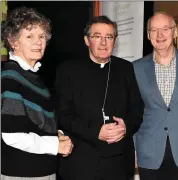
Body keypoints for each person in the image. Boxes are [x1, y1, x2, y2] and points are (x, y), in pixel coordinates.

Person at [54, 16, 144, 180]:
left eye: (109, 37)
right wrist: (96, 131)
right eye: (97, 36)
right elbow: (63, 115)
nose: (103, 43)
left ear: (114, 41)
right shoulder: (68, 70)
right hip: (81, 163)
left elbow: (137, 109)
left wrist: (126, 127)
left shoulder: (125, 68)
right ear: (87, 40)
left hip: (119, 163)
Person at [1, 7, 73, 180]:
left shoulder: (31, 77)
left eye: (41, 36)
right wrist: (55, 145)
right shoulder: (11, 78)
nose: (38, 42)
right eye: (29, 36)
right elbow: (12, 136)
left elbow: (34, 123)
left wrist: (56, 134)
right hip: (22, 173)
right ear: (13, 41)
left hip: (41, 170)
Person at [133, 11, 178, 180]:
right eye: (154, 30)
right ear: (148, 34)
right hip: (148, 152)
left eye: (165, 29)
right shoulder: (135, 68)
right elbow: (131, 111)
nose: (160, 35)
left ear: (175, 32)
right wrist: (133, 149)